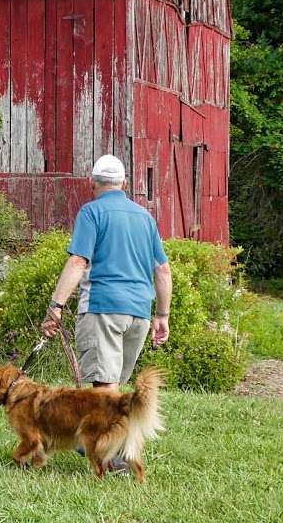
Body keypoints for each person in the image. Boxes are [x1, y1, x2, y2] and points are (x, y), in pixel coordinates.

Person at [40, 154, 172, 392]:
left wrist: (55, 306)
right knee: (115, 387)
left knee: (104, 389)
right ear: (125, 184)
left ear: (92, 183)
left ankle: (111, 431)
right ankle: (121, 430)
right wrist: (162, 316)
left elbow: (78, 261)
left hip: (104, 308)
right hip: (139, 313)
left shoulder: (92, 212)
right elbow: (162, 269)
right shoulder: (145, 218)